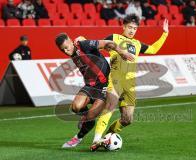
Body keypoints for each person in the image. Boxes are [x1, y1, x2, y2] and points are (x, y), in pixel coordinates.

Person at [90, 14, 169, 151]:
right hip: (115, 80)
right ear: (123, 26)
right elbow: (97, 45)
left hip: (130, 85)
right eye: (130, 27)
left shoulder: (138, 44)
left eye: (135, 28)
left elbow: (153, 49)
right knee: (110, 105)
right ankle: (96, 139)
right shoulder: (114, 37)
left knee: (127, 119)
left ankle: (108, 136)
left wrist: (165, 34)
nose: (132, 30)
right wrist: (84, 42)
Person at [55, 33, 134, 148]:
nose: (66, 51)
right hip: (90, 86)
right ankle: (86, 119)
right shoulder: (73, 52)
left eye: (67, 47)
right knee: (75, 107)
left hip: (104, 85)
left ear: (71, 41)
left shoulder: (83, 45)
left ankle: (78, 137)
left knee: (91, 115)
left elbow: (107, 43)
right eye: (63, 50)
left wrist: (122, 52)